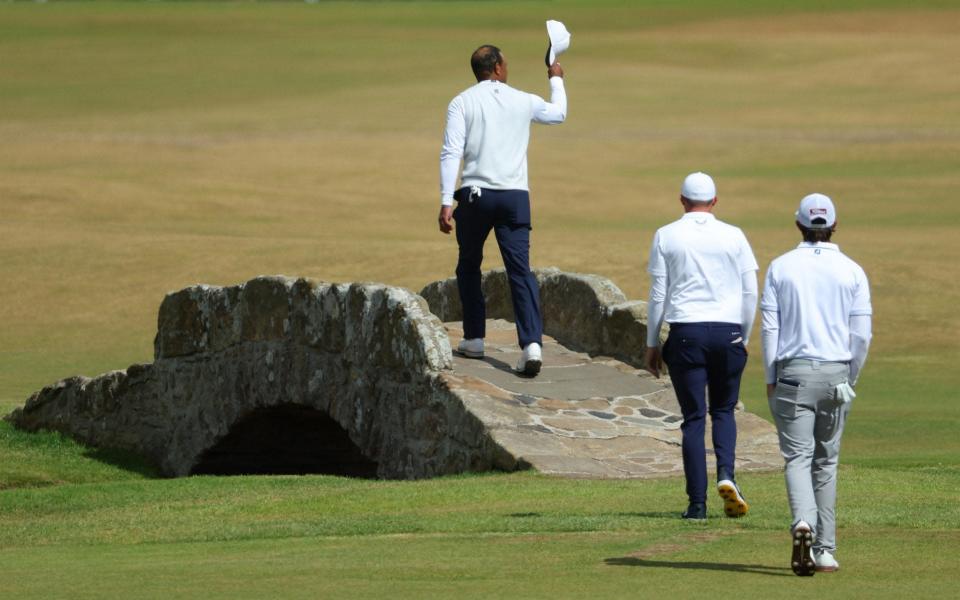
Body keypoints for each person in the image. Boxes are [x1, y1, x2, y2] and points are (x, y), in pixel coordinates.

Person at [438, 45, 567, 377]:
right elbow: (558, 113)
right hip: (514, 197)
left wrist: (444, 201)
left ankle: (474, 338)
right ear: (495, 68)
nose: (507, 68)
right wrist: (556, 80)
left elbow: (451, 151)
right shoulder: (522, 99)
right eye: (505, 63)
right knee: (519, 271)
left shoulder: (461, 101)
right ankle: (531, 345)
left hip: (475, 195)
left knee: (469, 265)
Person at [760, 193, 872, 576]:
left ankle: (802, 523)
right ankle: (824, 549)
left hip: (792, 373)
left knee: (798, 458)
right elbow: (862, 336)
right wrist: (849, 377)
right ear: (834, 226)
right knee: (826, 461)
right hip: (836, 374)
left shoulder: (780, 267)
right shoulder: (852, 270)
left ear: (799, 225)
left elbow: (770, 329)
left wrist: (771, 378)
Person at [644, 172, 759, 520]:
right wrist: (745, 336)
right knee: (723, 411)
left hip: (686, 334)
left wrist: (652, 343)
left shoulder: (666, 234)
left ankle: (697, 505)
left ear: (681, 200)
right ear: (714, 201)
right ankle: (727, 475)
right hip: (728, 333)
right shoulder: (734, 235)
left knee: (693, 419)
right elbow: (751, 291)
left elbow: (658, 294)